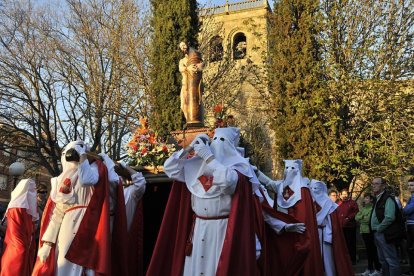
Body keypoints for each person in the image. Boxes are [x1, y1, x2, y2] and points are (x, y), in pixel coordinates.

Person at [147, 127, 261, 276]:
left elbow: (228, 182)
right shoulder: (197, 164)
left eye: (223, 140)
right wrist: (189, 147)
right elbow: (170, 168)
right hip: (199, 227)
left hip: (222, 229)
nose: (218, 144)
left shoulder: (238, 167)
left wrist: (210, 158)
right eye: (215, 140)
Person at [32, 140, 111, 276]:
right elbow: (57, 213)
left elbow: (87, 180)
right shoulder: (61, 180)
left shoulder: (93, 169)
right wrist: (48, 244)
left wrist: (83, 157)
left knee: (86, 266)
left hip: (89, 223)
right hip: (67, 228)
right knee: (64, 265)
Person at [257, 160, 323, 275]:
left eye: (292, 169)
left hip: (297, 234)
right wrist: (256, 172)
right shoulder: (281, 185)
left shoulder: (303, 190)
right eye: (286, 168)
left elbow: (304, 215)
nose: (288, 171)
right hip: (283, 231)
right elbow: (269, 183)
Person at [309, 179, 354, 276]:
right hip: (313, 235)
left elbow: (332, 223)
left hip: (325, 235)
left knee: (328, 260)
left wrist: (329, 236)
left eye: (316, 188)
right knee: (315, 259)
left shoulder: (329, 204)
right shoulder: (309, 203)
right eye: (311, 188)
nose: (313, 190)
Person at [0, 179, 38, 276]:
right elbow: (15, 233)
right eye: (30, 190)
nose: (33, 194)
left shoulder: (27, 211)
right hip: (17, 251)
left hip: (26, 249)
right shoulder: (16, 209)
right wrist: (23, 249)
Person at [370, 177, 403, 276]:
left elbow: (389, 217)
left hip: (385, 233)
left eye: (376, 183)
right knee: (383, 260)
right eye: (373, 184)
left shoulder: (387, 198)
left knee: (391, 260)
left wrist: (379, 228)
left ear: (383, 185)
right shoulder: (378, 198)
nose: (374, 186)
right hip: (378, 233)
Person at [119, 161, 146, 276]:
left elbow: (140, 182)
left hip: (126, 237)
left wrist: (125, 167)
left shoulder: (130, 192)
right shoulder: (109, 193)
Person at [179, 41, 204, 126]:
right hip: (185, 84)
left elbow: (202, 64)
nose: (183, 47)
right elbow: (181, 68)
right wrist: (188, 68)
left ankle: (197, 120)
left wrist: (198, 67)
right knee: (183, 104)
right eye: (181, 47)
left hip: (195, 83)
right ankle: (189, 120)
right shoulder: (182, 60)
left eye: (184, 45)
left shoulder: (195, 55)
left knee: (198, 100)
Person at [356, 193, 382, 276]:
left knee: (373, 251)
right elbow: (356, 217)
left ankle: (378, 269)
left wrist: (362, 218)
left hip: (369, 231)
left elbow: (368, 220)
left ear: (371, 199)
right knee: (368, 251)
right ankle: (369, 268)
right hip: (363, 231)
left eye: (367, 198)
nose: (365, 199)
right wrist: (362, 218)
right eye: (365, 198)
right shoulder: (363, 208)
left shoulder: (372, 208)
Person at [337, 188, 359, 264]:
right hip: (341, 227)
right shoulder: (338, 204)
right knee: (343, 244)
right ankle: (344, 260)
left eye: (346, 194)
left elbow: (356, 212)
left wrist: (349, 218)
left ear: (348, 195)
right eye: (343, 194)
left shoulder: (352, 203)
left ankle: (352, 260)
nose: (344, 196)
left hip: (350, 226)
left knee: (351, 244)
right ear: (340, 195)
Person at [403, 177, 414, 275]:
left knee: (411, 248)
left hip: (413, 225)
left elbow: (406, 210)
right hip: (410, 225)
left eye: (412, 185)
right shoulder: (411, 198)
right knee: (409, 248)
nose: (409, 187)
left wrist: (404, 208)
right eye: (409, 185)